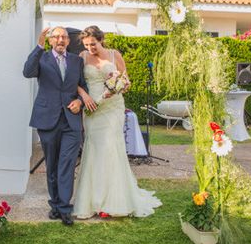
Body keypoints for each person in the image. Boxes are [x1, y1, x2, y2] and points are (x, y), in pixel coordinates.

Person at [73, 25, 161, 219]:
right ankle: (92, 200)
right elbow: (76, 82)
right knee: (94, 148)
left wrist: (117, 87)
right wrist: (85, 97)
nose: (90, 49)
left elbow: (126, 81)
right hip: (92, 108)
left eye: (93, 44)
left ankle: (112, 201)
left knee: (111, 148)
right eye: (87, 45)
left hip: (112, 108)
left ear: (100, 39)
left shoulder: (114, 55)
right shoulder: (82, 57)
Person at [23, 26, 86, 226]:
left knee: (66, 164)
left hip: (71, 120)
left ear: (68, 41)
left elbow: (83, 87)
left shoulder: (77, 60)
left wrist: (80, 102)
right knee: (52, 164)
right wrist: (38, 45)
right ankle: (55, 205)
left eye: (64, 37)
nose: (60, 40)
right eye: (56, 37)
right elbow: (27, 72)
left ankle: (65, 208)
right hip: (47, 118)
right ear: (50, 40)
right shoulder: (41, 57)